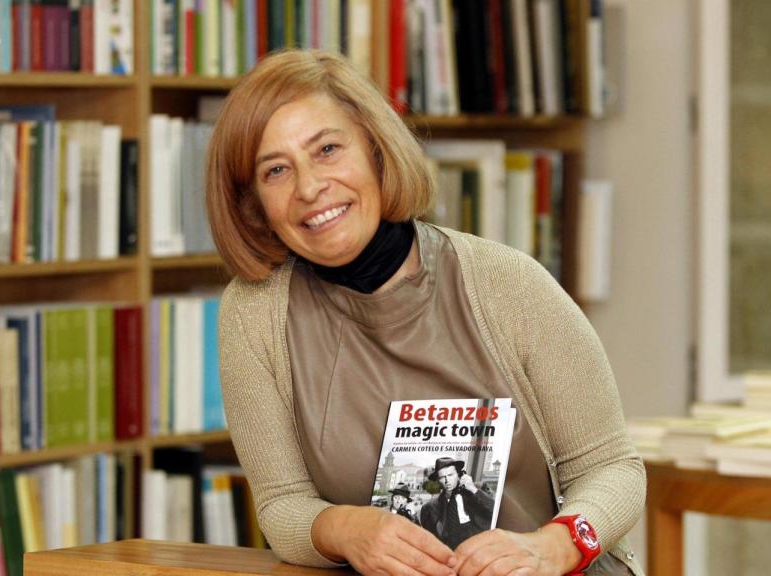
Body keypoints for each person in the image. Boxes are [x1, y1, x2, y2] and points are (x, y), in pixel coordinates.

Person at [207, 49, 644, 576]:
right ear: (254, 202)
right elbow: (282, 506)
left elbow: (613, 469)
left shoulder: (507, 283)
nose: (308, 188)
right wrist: (347, 530)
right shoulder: (254, 315)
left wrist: (553, 546)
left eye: (326, 149)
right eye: (275, 170)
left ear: (375, 149)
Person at [420, 458, 495, 550]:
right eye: (442, 477)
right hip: (450, 549)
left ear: (459, 474)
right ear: (438, 480)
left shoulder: (477, 490)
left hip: (478, 544)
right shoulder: (429, 508)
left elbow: (496, 511)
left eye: (450, 475)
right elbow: (430, 539)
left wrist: (473, 489)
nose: (447, 481)